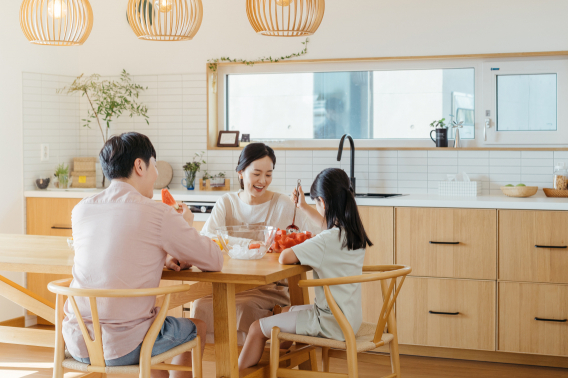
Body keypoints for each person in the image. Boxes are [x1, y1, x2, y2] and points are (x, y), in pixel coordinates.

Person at [63, 132, 223, 378]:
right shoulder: (158, 213)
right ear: (140, 165)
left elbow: (120, 252)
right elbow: (214, 260)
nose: (156, 174)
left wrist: (165, 257)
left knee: (153, 323)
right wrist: (187, 225)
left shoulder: (81, 209)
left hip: (77, 341)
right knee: (196, 327)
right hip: (124, 346)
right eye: (154, 166)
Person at [237, 168, 374, 370]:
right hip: (348, 318)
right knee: (283, 312)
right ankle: (279, 367)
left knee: (256, 328)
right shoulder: (352, 234)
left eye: (316, 202)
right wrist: (303, 207)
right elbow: (327, 228)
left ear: (323, 202)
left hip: (329, 321)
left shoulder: (326, 240)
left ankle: (239, 373)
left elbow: (285, 257)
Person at [193, 143, 321, 344]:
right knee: (200, 305)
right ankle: (222, 367)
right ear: (241, 172)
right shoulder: (226, 202)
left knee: (244, 308)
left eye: (268, 175)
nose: (263, 181)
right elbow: (207, 236)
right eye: (257, 174)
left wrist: (303, 207)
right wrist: (252, 242)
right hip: (229, 285)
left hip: (271, 288)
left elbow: (316, 234)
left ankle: (246, 368)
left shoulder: (282, 204)